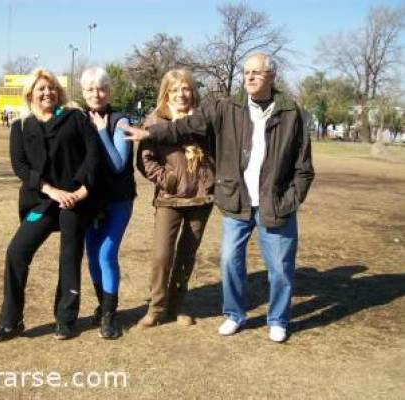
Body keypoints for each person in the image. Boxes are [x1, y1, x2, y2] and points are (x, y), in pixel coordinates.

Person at [122, 53, 315, 342]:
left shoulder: (292, 113)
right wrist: (149, 133)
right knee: (228, 262)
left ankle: (278, 320)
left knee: (280, 268)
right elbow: (183, 127)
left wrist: (290, 200)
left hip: (272, 204)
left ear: (272, 77)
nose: (249, 77)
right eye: (246, 72)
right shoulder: (228, 107)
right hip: (235, 202)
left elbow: (304, 167)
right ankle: (234, 314)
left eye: (256, 73)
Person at [0, 69, 101, 343]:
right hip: (42, 200)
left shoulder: (75, 118)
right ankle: (10, 321)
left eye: (51, 88)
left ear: (58, 91)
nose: (47, 93)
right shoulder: (21, 127)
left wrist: (82, 190)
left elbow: (92, 154)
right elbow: (21, 166)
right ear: (30, 94)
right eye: (40, 89)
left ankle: (66, 319)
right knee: (16, 252)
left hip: (75, 201)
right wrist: (50, 190)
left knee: (69, 258)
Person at [136, 69, 215, 328]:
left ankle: (177, 305)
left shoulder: (204, 118)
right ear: (166, 93)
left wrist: (212, 179)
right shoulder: (155, 120)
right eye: (174, 90)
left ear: (192, 91)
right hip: (170, 198)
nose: (181, 95)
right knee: (162, 254)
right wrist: (169, 180)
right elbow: (146, 162)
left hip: (201, 198)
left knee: (186, 255)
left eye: (186, 89)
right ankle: (156, 307)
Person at [80, 67, 136, 339]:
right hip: (90, 202)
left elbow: (118, 164)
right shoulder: (79, 120)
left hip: (119, 201)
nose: (96, 94)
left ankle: (110, 317)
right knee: (91, 255)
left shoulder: (119, 121)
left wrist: (103, 132)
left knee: (106, 254)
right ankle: (103, 307)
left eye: (101, 88)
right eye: (90, 89)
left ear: (108, 91)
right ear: (83, 93)